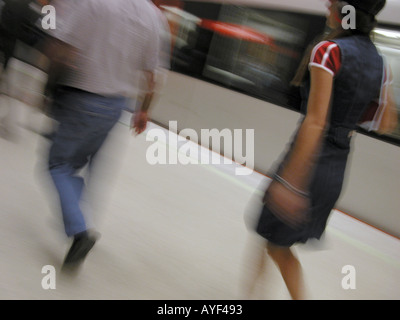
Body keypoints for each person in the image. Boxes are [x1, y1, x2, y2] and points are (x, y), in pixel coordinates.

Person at [243, 0, 398, 300]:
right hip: (336, 169)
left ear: (346, 11)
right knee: (270, 238)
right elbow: (386, 123)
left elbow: (315, 123)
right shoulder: (380, 63)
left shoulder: (328, 51)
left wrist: (292, 183)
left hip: (306, 164)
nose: (328, 4)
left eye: (334, 1)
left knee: (276, 246)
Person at [40, 0, 163, 268]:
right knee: (82, 165)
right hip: (116, 106)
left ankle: (80, 229)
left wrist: (47, 89)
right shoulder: (152, 15)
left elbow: (62, 49)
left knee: (58, 165)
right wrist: (143, 110)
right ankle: (79, 217)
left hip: (81, 98)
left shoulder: (89, 2)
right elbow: (152, 75)